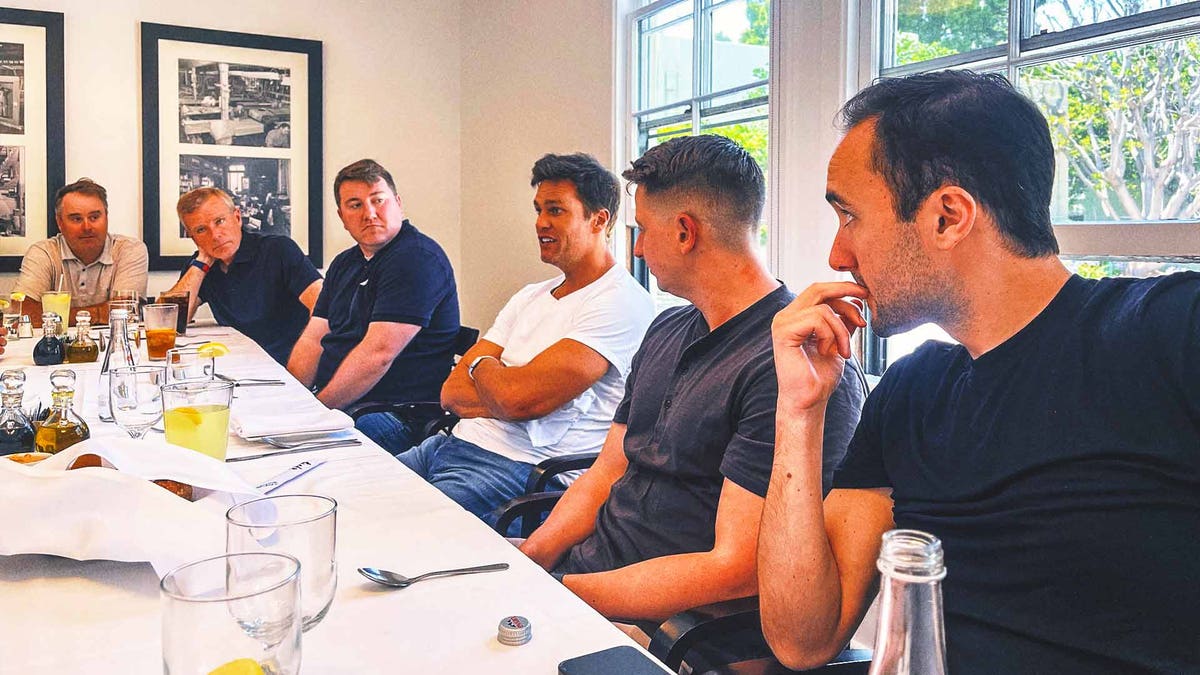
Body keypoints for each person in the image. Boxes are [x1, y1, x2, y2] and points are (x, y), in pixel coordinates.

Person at [758, 70, 1200, 674]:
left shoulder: (1168, 331)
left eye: (850, 217)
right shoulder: (913, 391)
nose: (837, 255)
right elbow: (802, 638)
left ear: (948, 216)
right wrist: (798, 411)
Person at [518, 136, 866, 623]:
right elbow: (606, 472)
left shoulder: (793, 363)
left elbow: (736, 570)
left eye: (642, 230)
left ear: (685, 232)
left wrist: (560, 594)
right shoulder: (666, 327)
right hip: (590, 580)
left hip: (663, 625)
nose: (636, 248)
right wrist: (529, 562)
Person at [400, 152, 654, 523]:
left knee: (393, 531)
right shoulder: (530, 295)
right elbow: (452, 393)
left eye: (555, 211)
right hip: (449, 443)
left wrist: (485, 368)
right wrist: (509, 394)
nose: (540, 223)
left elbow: (518, 400)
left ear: (599, 219)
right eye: (538, 210)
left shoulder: (620, 302)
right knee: (353, 493)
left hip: (520, 472)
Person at [287, 159, 460, 448]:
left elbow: (377, 355)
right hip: (344, 404)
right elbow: (313, 339)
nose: (369, 213)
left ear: (398, 204)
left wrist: (316, 413)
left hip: (395, 415)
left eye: (378, 200)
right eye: (355, 205)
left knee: (293, 453)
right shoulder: (345, 263)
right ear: (342, 216)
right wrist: (293, 399)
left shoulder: (416, 259)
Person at [162, 187, 322, 366]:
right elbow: (169, 323)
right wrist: (202, 262)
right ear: (193, 238)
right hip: (236, 362)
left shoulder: (278, 250)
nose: (215, 235)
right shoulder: (201, 265)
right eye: (201, 230)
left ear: (237, 218)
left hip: (286, 363)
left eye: (220, 221)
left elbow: (324, 309)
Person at [13, 178, 148, 325]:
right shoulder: (43, 253)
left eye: (94, 217)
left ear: (106, 217)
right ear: (59, 222)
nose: (87, 227)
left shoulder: (129, 250)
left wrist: (51, 316)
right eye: (77, 219)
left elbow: (124, 312)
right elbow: (22, 312)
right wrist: (98, 313)